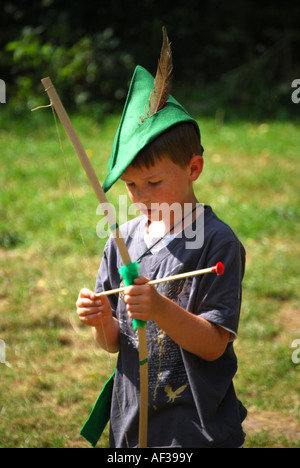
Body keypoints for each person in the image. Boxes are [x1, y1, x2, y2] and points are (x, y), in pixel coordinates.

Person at [76, 30, 247, 448]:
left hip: (195, 426)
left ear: (193, 169)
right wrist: (102, 322)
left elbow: (212, 346)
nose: (140, 197)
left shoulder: (217, 244)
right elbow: (116, 343)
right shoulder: (122, 240)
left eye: (153, 181)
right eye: (131, 186)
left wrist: (159, 308)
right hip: (133, 422)